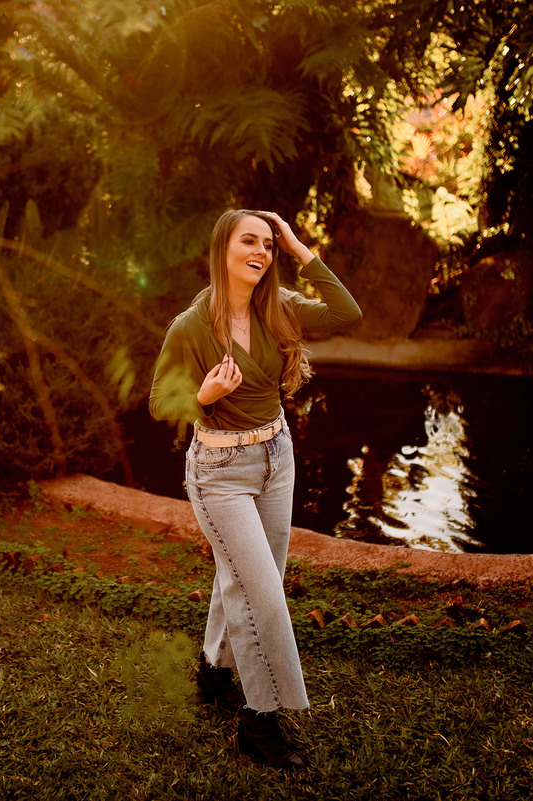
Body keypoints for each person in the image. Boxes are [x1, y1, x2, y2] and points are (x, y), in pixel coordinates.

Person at [148, 209, 361, 770]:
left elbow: (347, 313)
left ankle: (212, 670)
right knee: (263, 595)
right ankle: (259, 722)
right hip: (219, 474)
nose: (262, 252)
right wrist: (203, 394)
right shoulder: (190, 327)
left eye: (268, 245)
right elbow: (158, 404)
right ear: (223, 248)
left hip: (277, 458)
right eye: (251, 241)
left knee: (245, 577)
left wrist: (298, 248)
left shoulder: (280, 307)